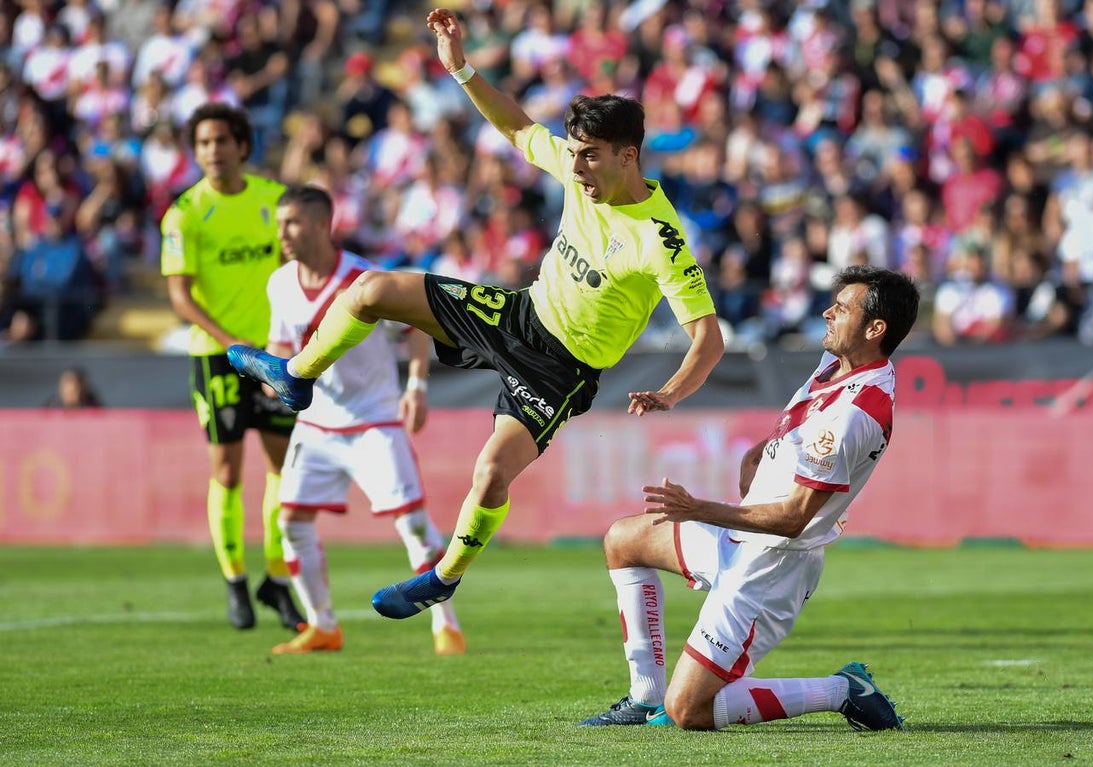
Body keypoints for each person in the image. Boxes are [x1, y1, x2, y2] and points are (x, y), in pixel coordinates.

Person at [227, 7, 724, 623]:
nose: (575, 169)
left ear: (629, 155)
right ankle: (297, 375)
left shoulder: (660, 237)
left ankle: (441, 579)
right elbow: (518, 129)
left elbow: (707, 338)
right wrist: (460, 67)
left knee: (490, 474)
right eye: (572, 154)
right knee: (370, 290)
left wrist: (670, 393)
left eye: (590, 157)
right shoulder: (577, 175)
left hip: (558, 371)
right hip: (520, 315)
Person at [579, 265, 918, 732]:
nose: (827, 312)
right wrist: (758, 455)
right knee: (624, 540)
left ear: (875, 328)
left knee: (690, 712)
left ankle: (843, 690)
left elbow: (793, 518)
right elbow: (796, 426)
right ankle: (643, 698)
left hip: (770, 569)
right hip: (739, 536)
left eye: (841, 309)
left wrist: (697, 509)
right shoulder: (837, 366)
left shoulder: (857, 413)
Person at [266, 186, 466, 657]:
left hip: (375, 421)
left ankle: (446, 624)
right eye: (279, 224)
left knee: (414, 525)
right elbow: (278, 346)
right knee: (291, 521)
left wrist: (416, 385)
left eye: (292, 222)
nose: (283, 234)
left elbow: (416, 326)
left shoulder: (362, 277)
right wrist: (271, 379)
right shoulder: (279, 283)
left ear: (321, 224)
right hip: (315, 426)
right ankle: (323, 626)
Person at [160, 102, 304, 632]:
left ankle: (276, 581)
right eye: (203, 143)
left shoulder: (273, 201)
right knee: (226, 471)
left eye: (221, 140)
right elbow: (180, 296)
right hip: (215, 357)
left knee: (281, 468)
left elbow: (298, 262)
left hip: (274, 356)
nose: (213, 151)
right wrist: (231, 342)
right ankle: (235, 582)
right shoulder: (185, 213)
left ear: (242, 146)